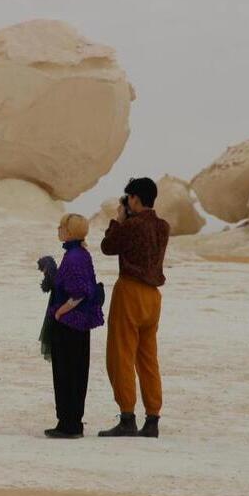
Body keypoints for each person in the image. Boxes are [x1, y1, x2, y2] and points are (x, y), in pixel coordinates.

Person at [99, 178, 170, 438]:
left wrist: (117, 220)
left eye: (128, 198)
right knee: (148, 359)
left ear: (135, 199)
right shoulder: (163, 226)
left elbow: (108, 247)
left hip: (130, 291)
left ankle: (127, 416)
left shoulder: (132, 225)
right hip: (153, 297)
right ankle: (152, 418)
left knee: (121, 356)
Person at [43, 214, 104, 439]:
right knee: (76, 372)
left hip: (70, 325)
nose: (58, 229)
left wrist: (59, 312)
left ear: (69, 231)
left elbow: (78, 292)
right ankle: (71, 422)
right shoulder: (79, 254)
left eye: (61, 226)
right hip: (77, 326)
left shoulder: (75, 256)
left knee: (67, 373)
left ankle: (68, 424)